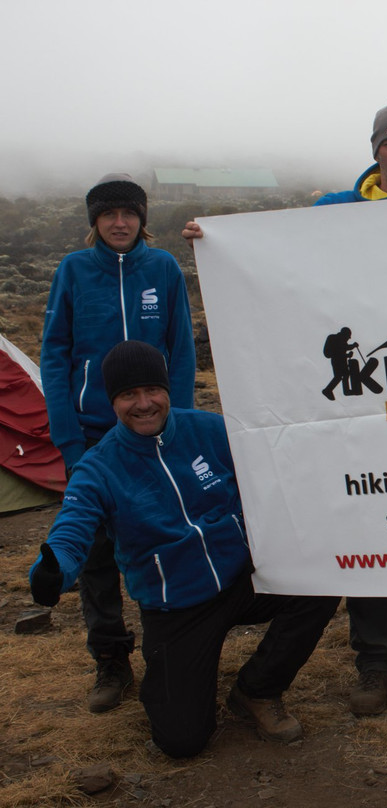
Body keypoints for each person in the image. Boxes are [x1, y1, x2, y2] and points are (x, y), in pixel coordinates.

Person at [183, 102, 387, 717]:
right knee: (370, 519)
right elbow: (272, 257)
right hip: (365, 397)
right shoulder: (332, 213)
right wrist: (216, 241)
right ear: (376, 152)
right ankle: (375, 661)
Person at [29, 341, 339, 758]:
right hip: (177, 605)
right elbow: (72, 528)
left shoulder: (209, 431)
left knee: (319, 580)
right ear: (112, 401)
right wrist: (54, 569)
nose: (143, 404)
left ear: (167, 390)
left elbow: (276, 471)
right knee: (182, 740)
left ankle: (257, 690)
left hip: (244, 577)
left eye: (151, 391)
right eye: (128, 395)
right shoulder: (99, 468)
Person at [40, 173, 196, 713]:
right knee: (98, 555)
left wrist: (185, 425)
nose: (120, 223)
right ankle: (110, 660)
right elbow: (54, 354)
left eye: (129, 214)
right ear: (95, 222)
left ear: (143, 218)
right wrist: (67, 440)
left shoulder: (165, 269)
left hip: (156, 430)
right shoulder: (75, 271)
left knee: (164, 538)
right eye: (109, 215)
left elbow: (180, 349)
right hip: (91, 432)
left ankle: (170, 647)